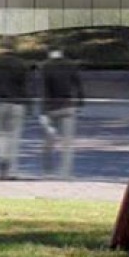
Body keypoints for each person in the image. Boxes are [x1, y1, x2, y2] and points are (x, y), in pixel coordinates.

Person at [0, 51, 31, 180]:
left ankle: (2, 156)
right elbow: (24, 86)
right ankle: (12, 172)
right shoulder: (21, 64)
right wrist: (28, 103)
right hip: (17, 103)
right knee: (14, 137)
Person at [39, 49, 85, 177]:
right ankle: (65, 172)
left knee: (49, 141)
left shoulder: (45, 67)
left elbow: (44, 90)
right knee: (67, 142)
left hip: (51, 108)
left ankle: (47, 171)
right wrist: (81, 101)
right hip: (68, 106)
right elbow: (78, 85)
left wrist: (43, 110)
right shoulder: (70, 65)